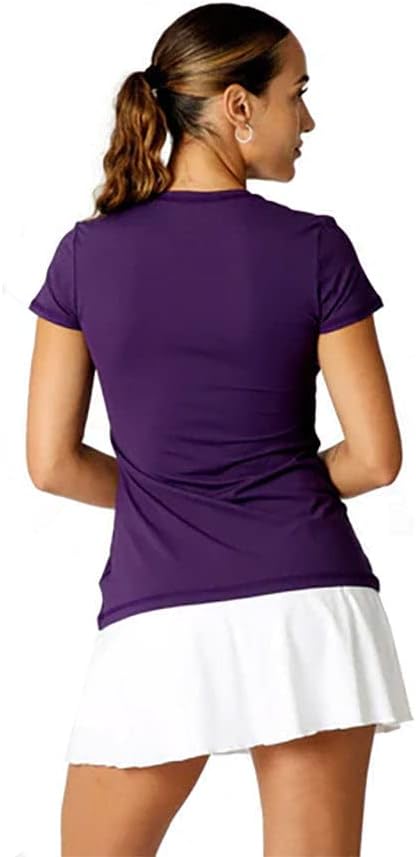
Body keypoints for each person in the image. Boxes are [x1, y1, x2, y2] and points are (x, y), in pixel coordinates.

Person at [26, 3, 413, 855]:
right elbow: (376, 457)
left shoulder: (84, 256)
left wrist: (176, 495)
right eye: (296, 94)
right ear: (239, 105)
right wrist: (262, 486)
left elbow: (50, 463)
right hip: (311, 604)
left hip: (158, 607)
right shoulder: (315, 247)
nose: (307, 119)